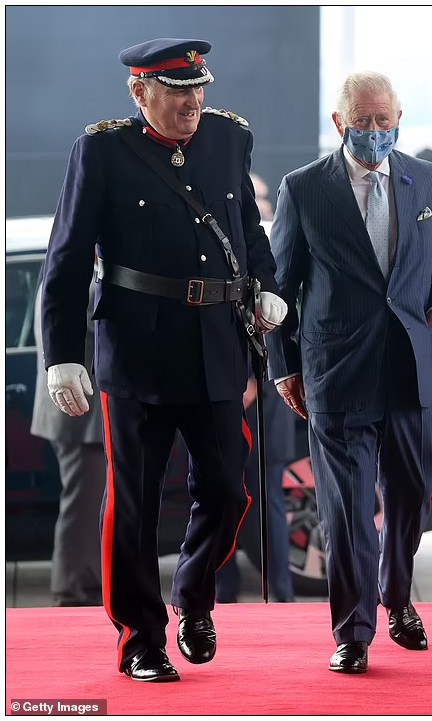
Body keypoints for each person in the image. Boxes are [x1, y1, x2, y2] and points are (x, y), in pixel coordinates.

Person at [41, 38, 285, 683]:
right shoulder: (103, 149)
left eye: (199, 89)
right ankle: (139, 640)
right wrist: (63, 356)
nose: (193, 104)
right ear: (139, 92)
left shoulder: (230, 138)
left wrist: (266, 284)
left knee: (230, 491)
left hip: (216, 345)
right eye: (178, 93)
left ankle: (194, 598)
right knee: (135, 504)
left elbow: (247, 230)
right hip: (138, 350)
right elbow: (66, 259)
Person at [268, 71, 432, 674]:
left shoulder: (425, 179)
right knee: (347, 507)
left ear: (398, 118)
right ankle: (353, 630)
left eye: (385, 121)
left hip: (411, 365)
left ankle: (398, 596)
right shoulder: (304, 189)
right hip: (336, 372)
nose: (376, 132)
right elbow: (279, 286)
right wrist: (283, 367)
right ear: (339, 123)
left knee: (411, 494)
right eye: (363, 122)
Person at [30, 272, 104, 607]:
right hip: (78, 415)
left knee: (85, 504)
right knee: (82, 505)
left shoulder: (56, 276)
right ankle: (71, 589)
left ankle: (83, 581)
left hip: (76, 413)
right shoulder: (74, 280)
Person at [214, 376, 296, 604]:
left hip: (255, 405)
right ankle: (279, 591)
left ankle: (276, 591)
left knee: (258, 505)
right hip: (259, 404)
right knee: (260, 505)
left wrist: (249, 385)